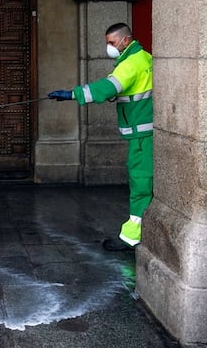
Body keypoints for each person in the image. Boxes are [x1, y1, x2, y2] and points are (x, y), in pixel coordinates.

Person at [48, 23, 153, 250]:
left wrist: (70, 94)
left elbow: (108, 87)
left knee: (141, 183)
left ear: (125, 40)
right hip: (143, 132)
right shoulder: (140, 58)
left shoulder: (132, 63)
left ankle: (131, 238)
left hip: (142, 134)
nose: (109, 48)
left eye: (112, 43)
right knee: (143, 181)